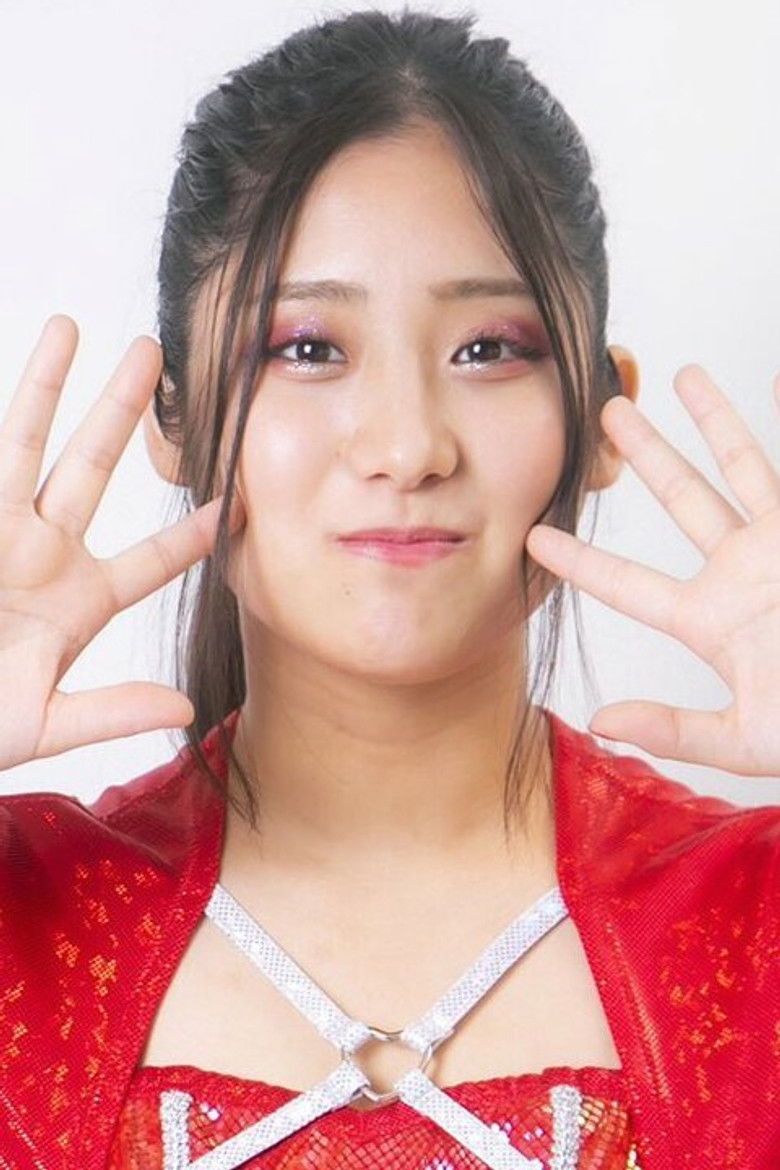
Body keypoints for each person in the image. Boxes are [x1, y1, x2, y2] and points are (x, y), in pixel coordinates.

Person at [0, 7, 778, 1169]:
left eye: (489, 349)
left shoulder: (753, 921)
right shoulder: (29, 922)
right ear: (176, 419)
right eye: (306, 348)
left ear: (602, 415)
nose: (409, 446)